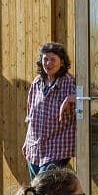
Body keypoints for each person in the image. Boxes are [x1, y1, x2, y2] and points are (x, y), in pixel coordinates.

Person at [23, 42, 77, 179]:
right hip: (34, 148)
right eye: (45, 59)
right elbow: (30, 116)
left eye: (53, 59)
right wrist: (26, 142)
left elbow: (93, 96)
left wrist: (71, 98)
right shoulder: (37, 82)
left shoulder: (69, 81)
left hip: (57, 148)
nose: (48, 63)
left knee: (43, 184)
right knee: (37, 187)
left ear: (62, 62)